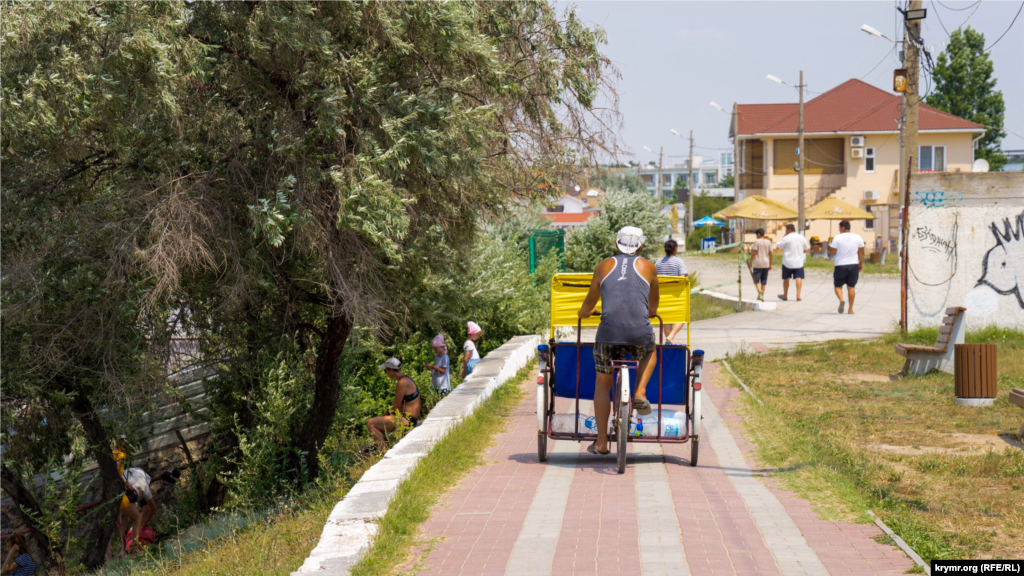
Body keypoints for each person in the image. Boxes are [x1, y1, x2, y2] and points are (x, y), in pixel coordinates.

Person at [577, 226, 659, 456]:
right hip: (638, 334)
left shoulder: (602, 267)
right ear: (640, 246)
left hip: (608, 335)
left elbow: (588, 302)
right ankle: (640, 392)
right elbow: (653, 307)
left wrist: (584, 314)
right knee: (650, 350)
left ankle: (601, 442)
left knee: (603, 384)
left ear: (616, 244)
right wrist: (648, 313)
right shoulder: (649, 267)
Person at [367, 358, 421, 444]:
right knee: (381, 423)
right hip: (410, 419)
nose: (386, 373)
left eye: (385, 371)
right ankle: (384, 447)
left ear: (391, 370)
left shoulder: (402, 383)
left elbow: (395, 407)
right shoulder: (407, 379)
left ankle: (383, 453)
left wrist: (385, 414)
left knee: (371, 423)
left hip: (406, 420)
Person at [828, 220, 865, 314]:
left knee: (837, 286)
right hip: (853, 264)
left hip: (840, 265)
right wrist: (861, 263)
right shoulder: (857, 237)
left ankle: (841, 299)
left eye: (839, 228)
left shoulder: (837, 237)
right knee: (851, 287)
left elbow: (832, 251)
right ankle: (850, 309)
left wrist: (831, 247)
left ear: (843, 227)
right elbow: (862, 252)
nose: (839, 230)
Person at [655, 239, 687, 344]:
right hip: (677, 295)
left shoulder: (659, 262)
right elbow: (682, 277)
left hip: (663, 295)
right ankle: (671, 337)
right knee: (682, 317)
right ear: (675, 249)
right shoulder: (679, 262)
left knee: (666, 319)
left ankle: (669, 340)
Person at [776, 223, 810, 301]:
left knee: (786, 279)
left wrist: (784, 236)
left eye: (786, 230)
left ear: (789, 229)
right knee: (798, 278)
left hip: (788, 262)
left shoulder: (787, 238)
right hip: (798, 262)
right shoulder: (801, 237)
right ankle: (798, 295)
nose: (786, 232)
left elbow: (778, 246)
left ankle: (785, 295)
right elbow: (806, 249)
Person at [750, 228, 773, 301]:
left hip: (758, 263)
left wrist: (750, 261)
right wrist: (770, 264)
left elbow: (754, 252)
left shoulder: (757, 241)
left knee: (755, 280)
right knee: (764, 281)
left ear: (759, 234)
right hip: (766, 263)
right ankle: (761, 295)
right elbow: (771, 253)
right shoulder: (769, 242)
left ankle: (760, 292)